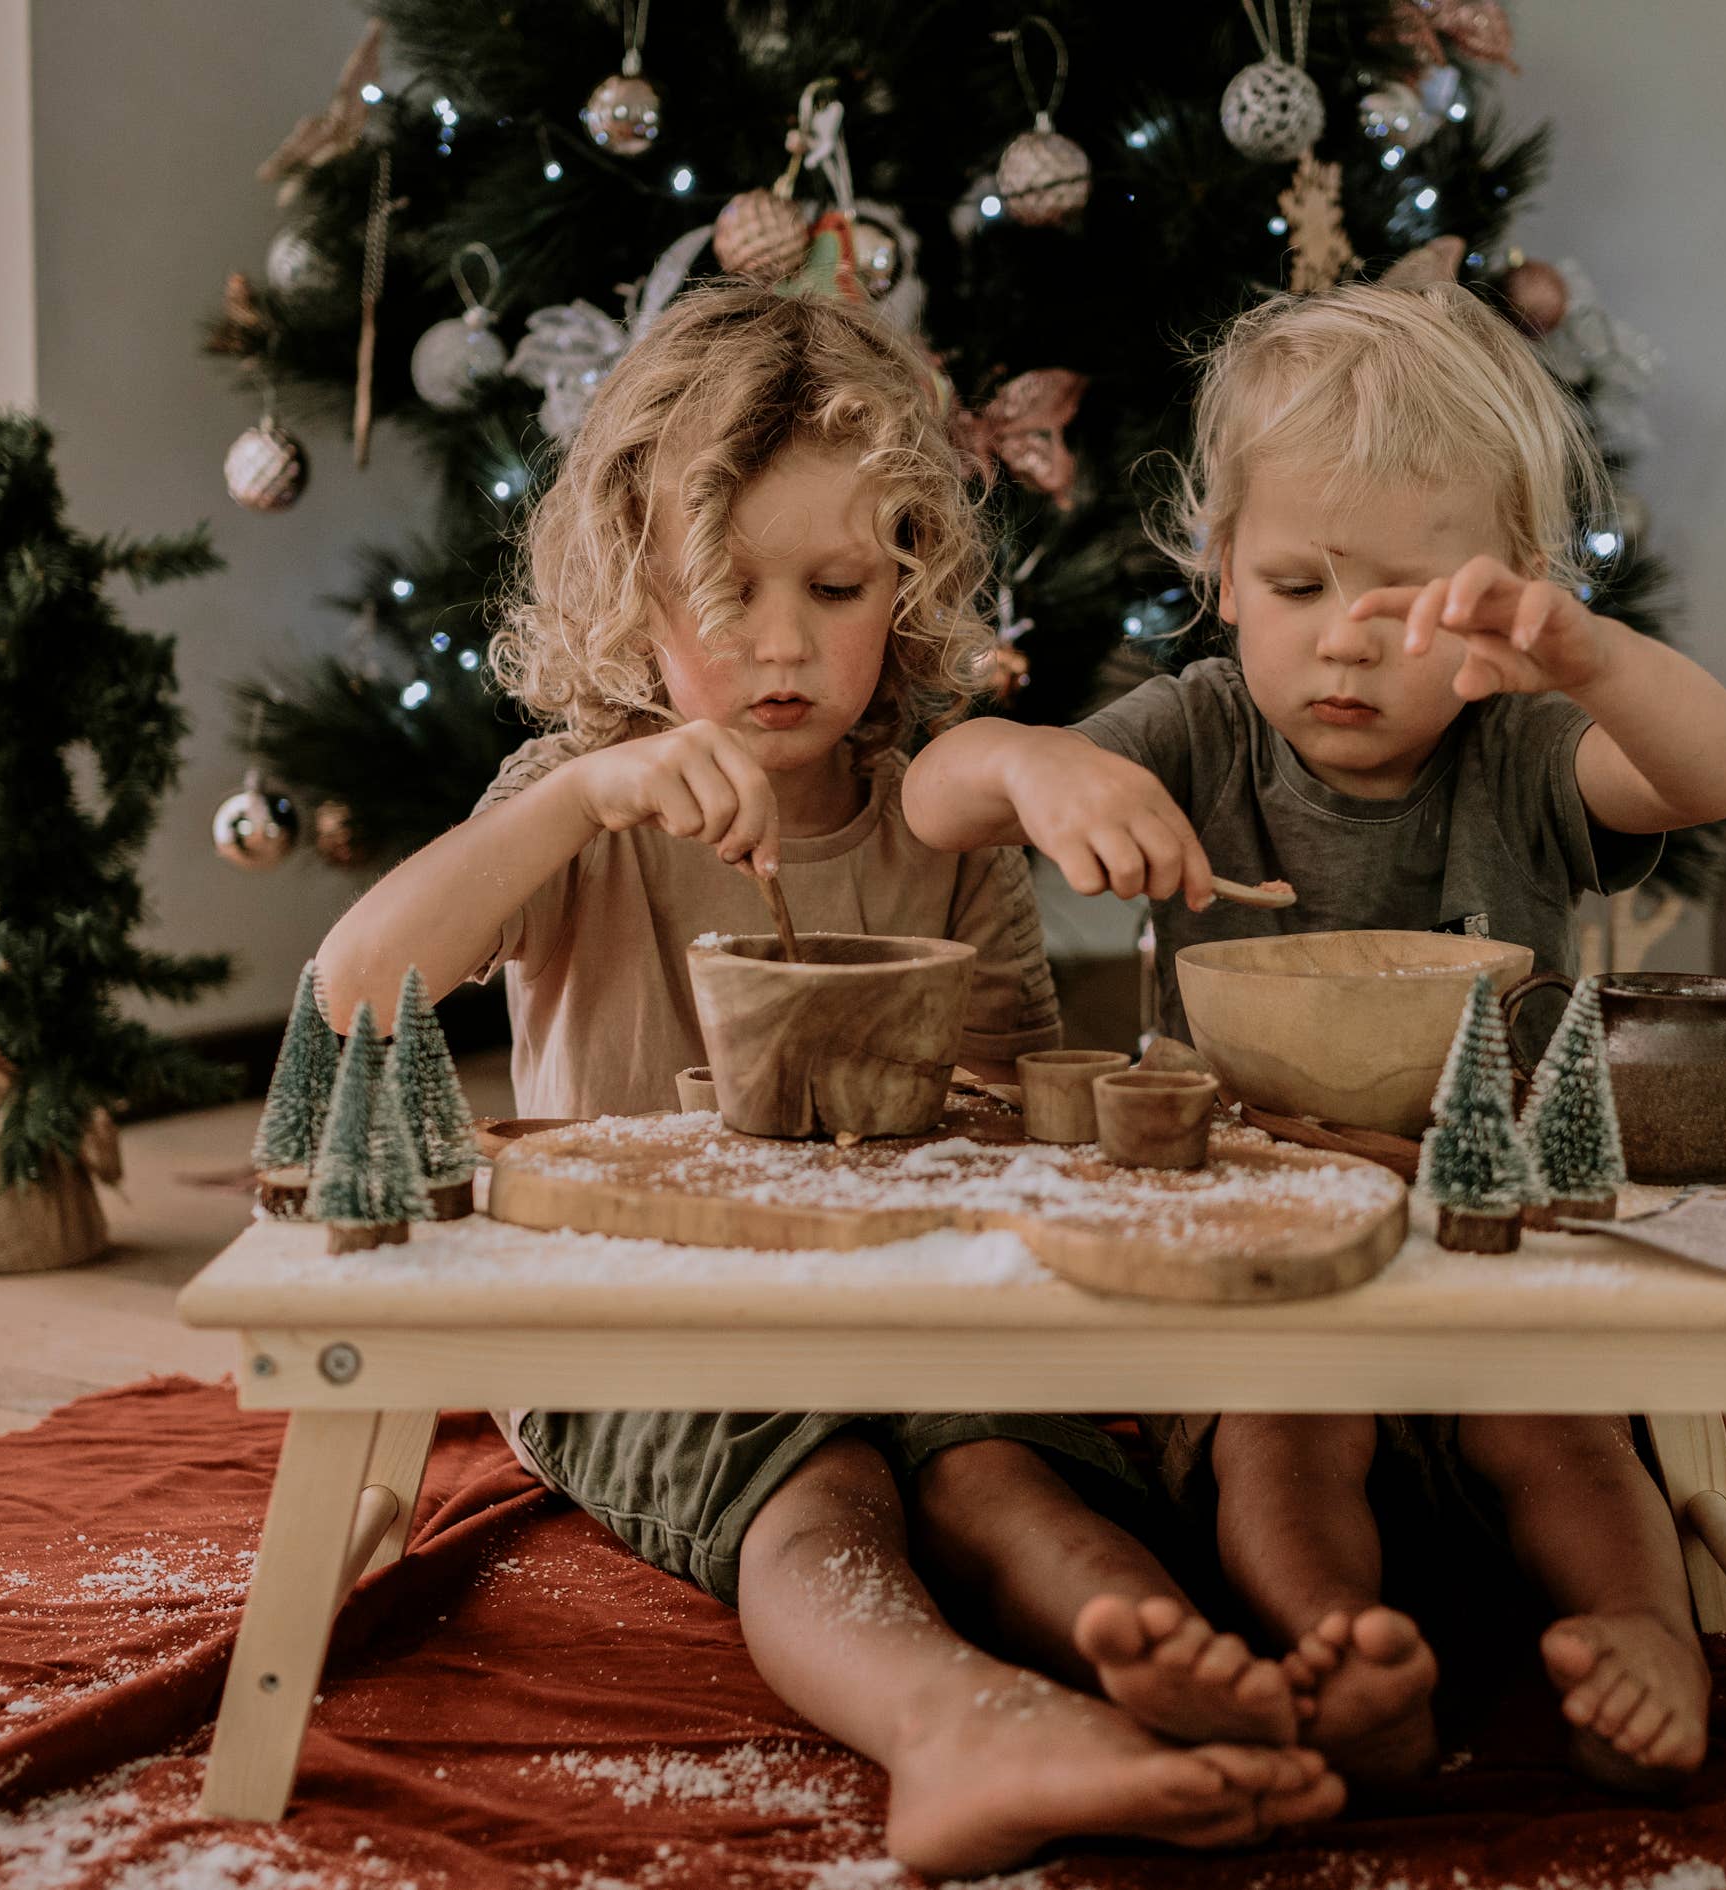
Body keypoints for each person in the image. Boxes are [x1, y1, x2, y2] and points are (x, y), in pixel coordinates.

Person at [314, 284, 1340, 1874]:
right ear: (627, 598)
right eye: (720, 589)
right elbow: (348, 996)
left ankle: (1130, 1640)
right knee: (823, 1482)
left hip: (914, 1287)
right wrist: (580, 798)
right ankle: (951, 1726)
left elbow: (1007, 1091)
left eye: (837, 584)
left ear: (909, 586)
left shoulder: (933, 813)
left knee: (999, 1457)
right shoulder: (581, 806)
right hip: (637, 1312)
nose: (779, 641)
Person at [904, 280, 1726, 1789]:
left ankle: (1644, 1632)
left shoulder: (1526, 745)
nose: (1343, 649)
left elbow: (1706, 774)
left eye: (1403, 605)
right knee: (1281, 1443)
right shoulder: (1200, 723)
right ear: (1222, 572)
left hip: (1493, 1260)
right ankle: (1344, 1650)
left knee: (1567, 1439)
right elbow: (931, 797)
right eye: (1297, 587)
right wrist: (1035, 767)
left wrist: (1589, 659)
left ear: (1503, 597)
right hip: (1266, 1276)